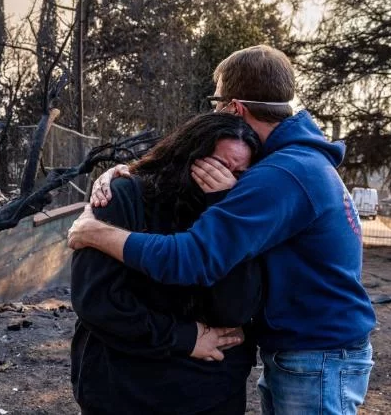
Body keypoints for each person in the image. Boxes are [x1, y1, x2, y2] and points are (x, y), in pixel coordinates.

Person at [67, 45, 376, 415]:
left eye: (217, 104)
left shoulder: (279, 174)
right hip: (311, 351)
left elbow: (194, 258)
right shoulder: (293, 161)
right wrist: (128, 174)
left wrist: (95, 233)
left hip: (316, 356)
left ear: (234, 107)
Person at [71, 113, 263, 414]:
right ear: (188, 155)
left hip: (211, 392)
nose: (226, 179)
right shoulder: (124, 196)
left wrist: (225, 207)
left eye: (239, 173)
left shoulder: (240, 213)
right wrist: (184, 337)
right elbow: (96, 300)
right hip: (126, 390)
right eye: (217, 166)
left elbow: (235, 308)